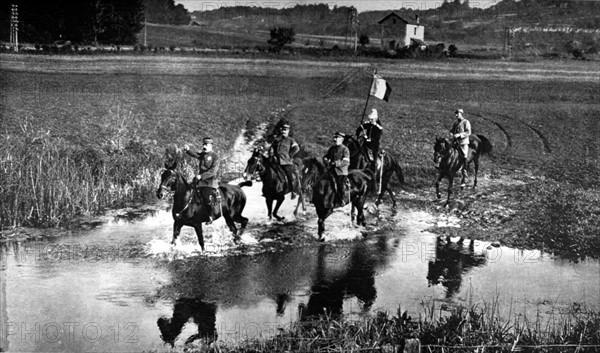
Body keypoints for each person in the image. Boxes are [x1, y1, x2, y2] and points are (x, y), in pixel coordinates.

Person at [184, 137, 220, 224]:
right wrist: (188, 150)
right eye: (203, 144)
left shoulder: (215, 156)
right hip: (200, 181)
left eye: (206, 145)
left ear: (211, 146)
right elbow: (195, 154)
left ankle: (211, 216)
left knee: (205, 196)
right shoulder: (203, 154)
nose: (204, 146)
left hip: (210, 182)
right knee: (187, 191)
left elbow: (213, 171)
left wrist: (201, 176)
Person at [269, 123, 301, 199]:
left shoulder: (291, 140)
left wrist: (290, 155)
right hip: (276, 161)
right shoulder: (276, 140)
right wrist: (271, 153)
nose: (284, 131)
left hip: (286, 162)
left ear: (288, 131)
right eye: (283, 129)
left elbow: (297, 148)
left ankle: (293, 191)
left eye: (285, 130)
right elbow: (271, 148)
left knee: (289, 175)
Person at [323, 132, 351, 207]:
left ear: (341, 139)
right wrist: (325, 160)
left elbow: (346, 161)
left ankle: (341, 200)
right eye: (334, 138)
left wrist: (335, 163)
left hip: (340, 171)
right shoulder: (332, 148)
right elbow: (326, 156)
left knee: (340, 184)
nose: (334, 139)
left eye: (337, 138)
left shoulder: (345, 149)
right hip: (331, 170)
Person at [449, 108, 471, 185]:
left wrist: (460, 135)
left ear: (461, 113)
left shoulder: (466, 122)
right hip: (455, 142)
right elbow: (451, 130)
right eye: (455, 113)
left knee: (464, 157)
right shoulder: (455, 123)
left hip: (463, 143)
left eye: (457, 113)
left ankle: (464, 175)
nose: (456, 115)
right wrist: (451, 134)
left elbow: (468, 132)